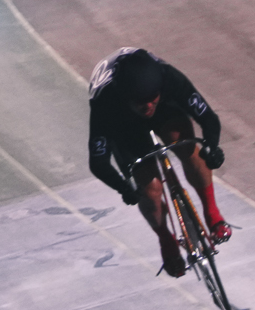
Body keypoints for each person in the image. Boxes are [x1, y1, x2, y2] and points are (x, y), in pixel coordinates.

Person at [87, 48, 230, 277]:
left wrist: (212, 146)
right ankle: (166, 239)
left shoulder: (169, 78)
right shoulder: (105, 105)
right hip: (123, 123)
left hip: (167, 108)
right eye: (141, 104)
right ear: (126, 97)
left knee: (186, 145)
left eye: (152, 100)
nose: (148, 107)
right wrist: (123, 187)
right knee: (150, 190)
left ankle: (212, 212)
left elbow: (209, 119)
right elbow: (98, 162)